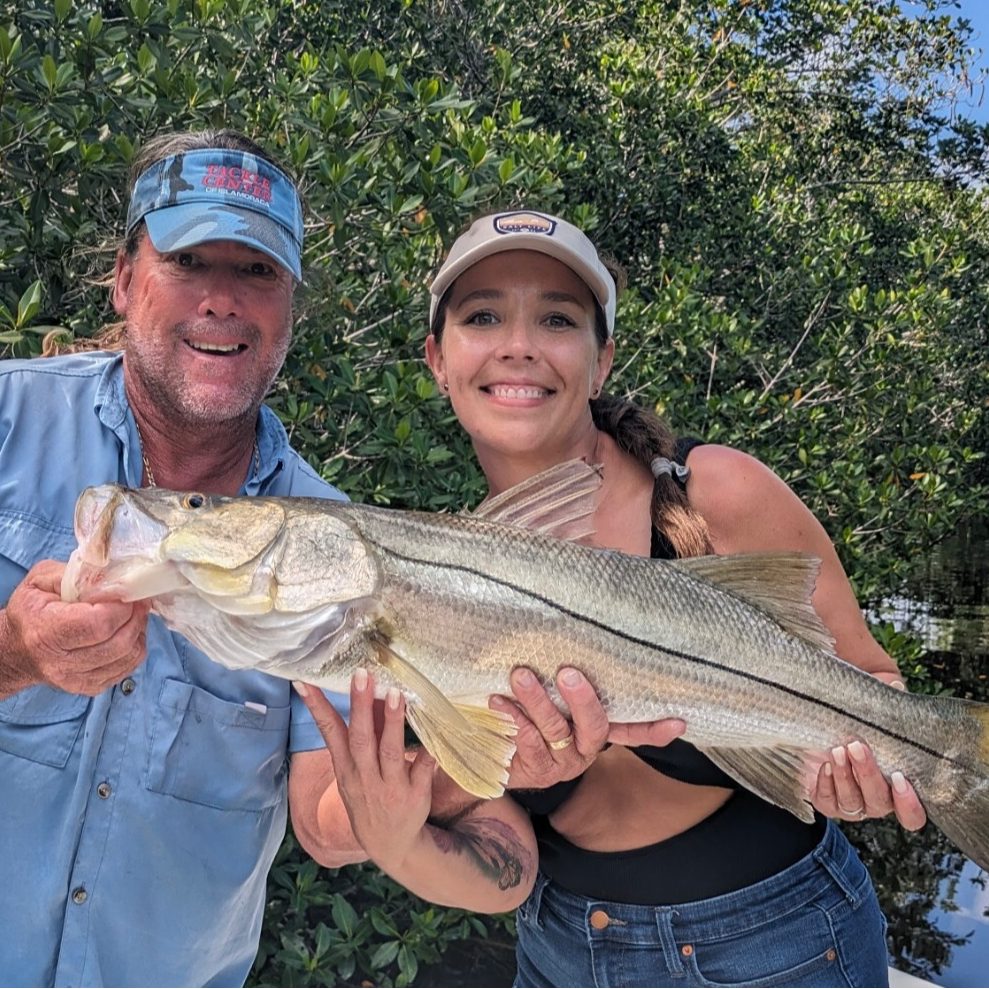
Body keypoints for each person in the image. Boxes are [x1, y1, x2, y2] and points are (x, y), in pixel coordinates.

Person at [300, 210, 929, 988]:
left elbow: (875, 680)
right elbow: (505, 866)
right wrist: (397, 842)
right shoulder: (441, 576)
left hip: (778, 943)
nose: (519, 343)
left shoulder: (714, 493)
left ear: (601, 362)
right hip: (562, 947)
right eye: (483, 314)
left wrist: (868, 774)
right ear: (436, 358)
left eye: (557, 318)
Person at [0, 129, 349, 987]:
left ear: (289, 309)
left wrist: (459, 776)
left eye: (259, 271)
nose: (223, 299)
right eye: (191, 259)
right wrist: (15, 652)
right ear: (124, 278)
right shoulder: (5, 420)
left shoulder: (335, 539)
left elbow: (329, 816)